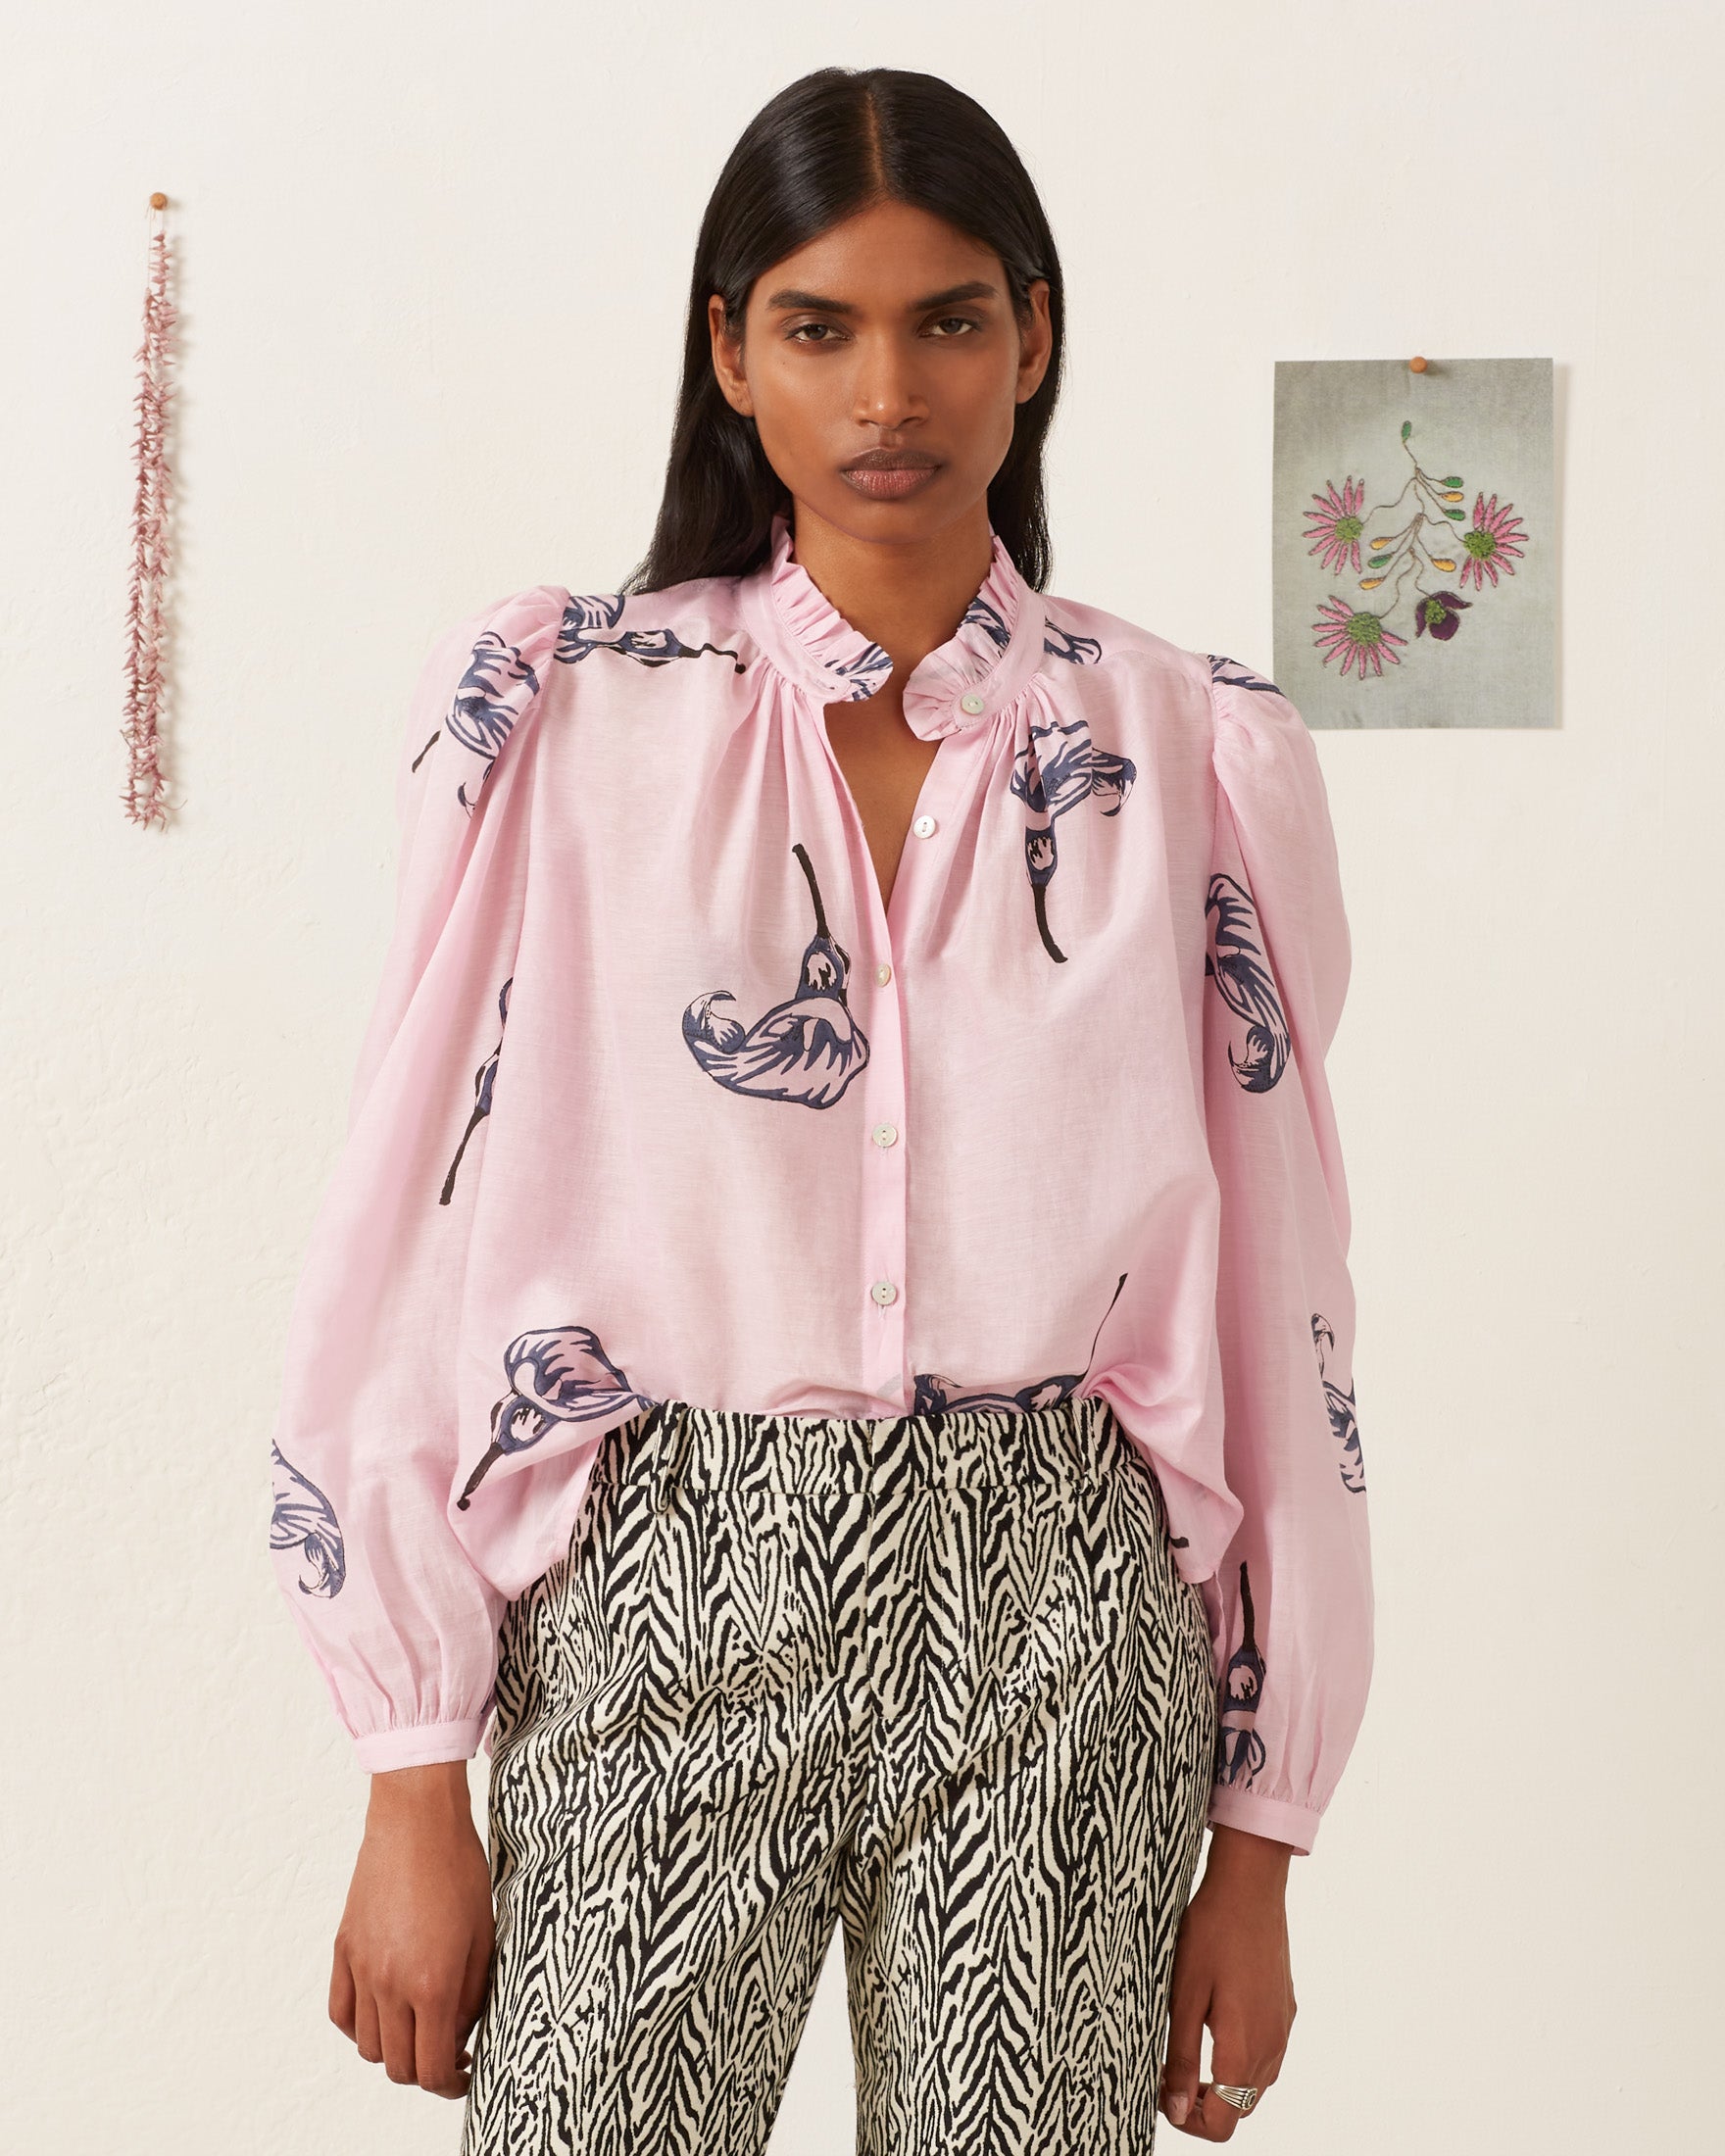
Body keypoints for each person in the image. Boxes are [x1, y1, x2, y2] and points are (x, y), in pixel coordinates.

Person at [268, 64, 1373, 2156]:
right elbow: (403, 1214)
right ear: (728, 353)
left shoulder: (1184, 748)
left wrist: (1263, 1822)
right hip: (663, 1567)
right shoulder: (562, 714)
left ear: (1032, 338)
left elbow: (1286, 1285)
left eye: (949, 319)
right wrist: (412, 1759)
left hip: (1065, 1601)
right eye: (819, 324)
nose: (891, 389)